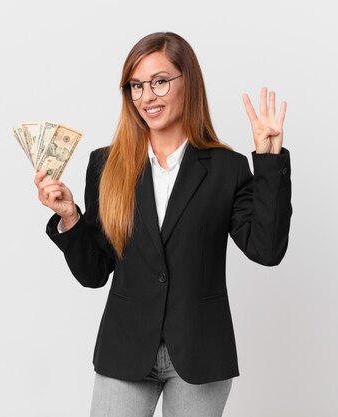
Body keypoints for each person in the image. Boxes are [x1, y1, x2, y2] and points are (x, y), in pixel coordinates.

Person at [33, 31, 292, 417]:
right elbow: (94, 273)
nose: (146, 97)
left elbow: (267, 250)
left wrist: (268, 162)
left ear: (188, 82)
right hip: (125, 348)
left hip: (200, 353)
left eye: (159, 81)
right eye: (136, 86)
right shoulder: (106, 165)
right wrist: (70, 218)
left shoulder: (227, 168)